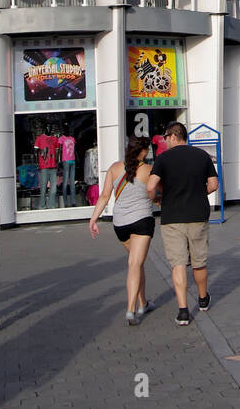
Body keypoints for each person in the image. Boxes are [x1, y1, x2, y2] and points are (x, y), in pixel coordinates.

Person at [145, 122, 218, 326]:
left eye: (165, 137)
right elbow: (213, 185)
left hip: (172, 217)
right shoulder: (202, 156)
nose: (164, 140)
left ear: (173, 136)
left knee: (178, 264)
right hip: (197, 214)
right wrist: (198, 194)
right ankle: (203, 299)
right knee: (199, 261)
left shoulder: (163, 159)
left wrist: (156, 198)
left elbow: (150, 186)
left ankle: (183, 310)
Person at [89, 136, 157, 325]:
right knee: (135, 263)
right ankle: (131, 310)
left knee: (137, 263)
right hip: (142, 221)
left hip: (120, 224)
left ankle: (143, 303)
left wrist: (94, 218)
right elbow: (155, 194)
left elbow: (104, 196)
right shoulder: (148, 170)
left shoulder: (114, 168)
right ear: (143, 151)